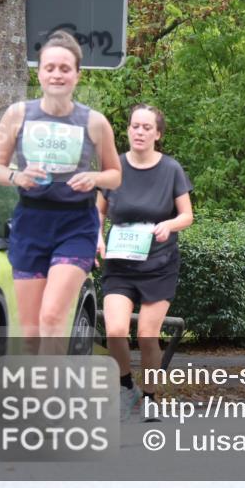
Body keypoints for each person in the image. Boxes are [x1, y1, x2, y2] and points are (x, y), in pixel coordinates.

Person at [0, 30, 121, 353]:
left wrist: (93, 177)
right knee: (31, 333)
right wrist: (17, 177)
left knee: (52, 318)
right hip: (30, 223)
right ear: (39, 73)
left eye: (65, 68)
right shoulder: (18, 114)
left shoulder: (94, 122)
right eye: (50, 68)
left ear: (77, 74)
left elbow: (115, 175)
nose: (57, 74)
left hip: (76, 225)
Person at [96, 104, 194, 421]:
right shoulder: (113, 169)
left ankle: (150, 397)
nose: (140, 132)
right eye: (135, 126)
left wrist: (170, 225)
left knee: (147, 336)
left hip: (159, 264)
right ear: (128, 131)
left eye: (147, 127)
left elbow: (187, 215)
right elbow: (97, 212)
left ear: (158, 134)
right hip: (120, 264)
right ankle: (127, 388)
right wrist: (95, 237)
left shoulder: (171, 170)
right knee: (115, 331)